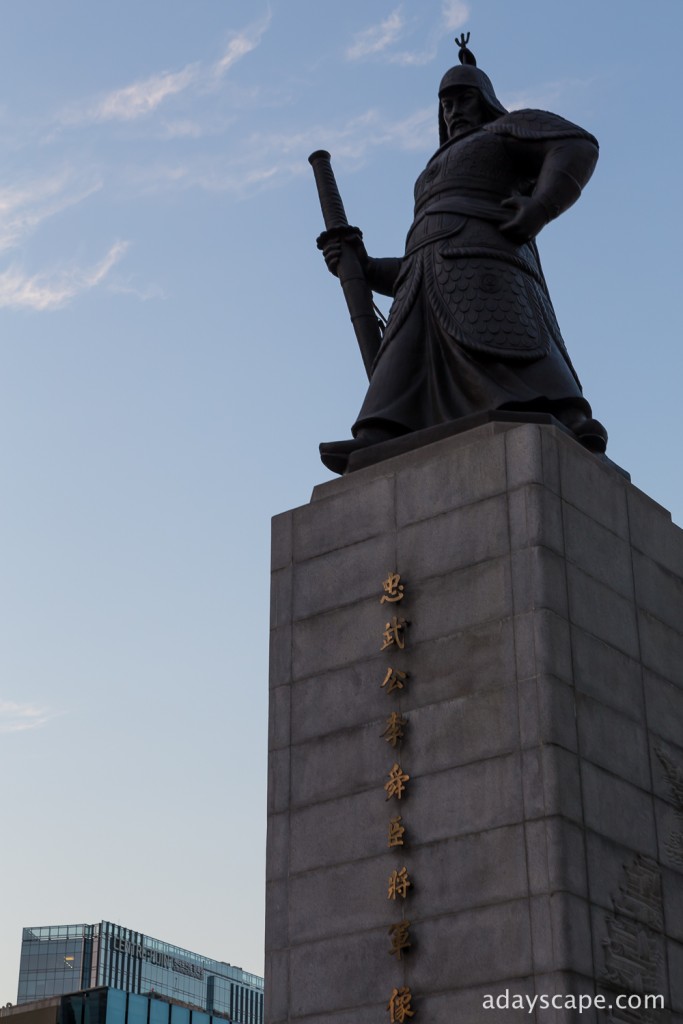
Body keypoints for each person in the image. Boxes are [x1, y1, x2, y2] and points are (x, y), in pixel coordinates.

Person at [318, 35, 607, 474]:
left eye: (462, 98)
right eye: (445, 103)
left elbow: (576, 145)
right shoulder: (429, 171)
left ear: (485, 100)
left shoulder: (505, 130)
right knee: (403, 354)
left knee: (508, 335)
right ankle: (379, 432)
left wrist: (541, 206)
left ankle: (570, 416)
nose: (453, 109)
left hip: (487, 255)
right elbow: (412, 259)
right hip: (422, 273)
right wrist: (362, 264)